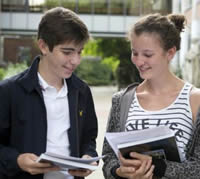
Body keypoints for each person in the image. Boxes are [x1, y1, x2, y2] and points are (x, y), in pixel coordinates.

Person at [0, 7, 98, 179]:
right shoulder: (9, 91)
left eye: (79, 52)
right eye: (67, 52)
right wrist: (17, 160)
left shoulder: (82, 91)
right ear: (44, 46)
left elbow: (89, 139)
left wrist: (88, 158)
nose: (75, 61)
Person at [102, 13, 200, 179]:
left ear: (170, 53)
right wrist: (118, 171)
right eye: (135, 53)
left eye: (147, 55)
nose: (139, 61)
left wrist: (158, 167)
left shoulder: (195, 100)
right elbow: (108, 158)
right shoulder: (121, 100)